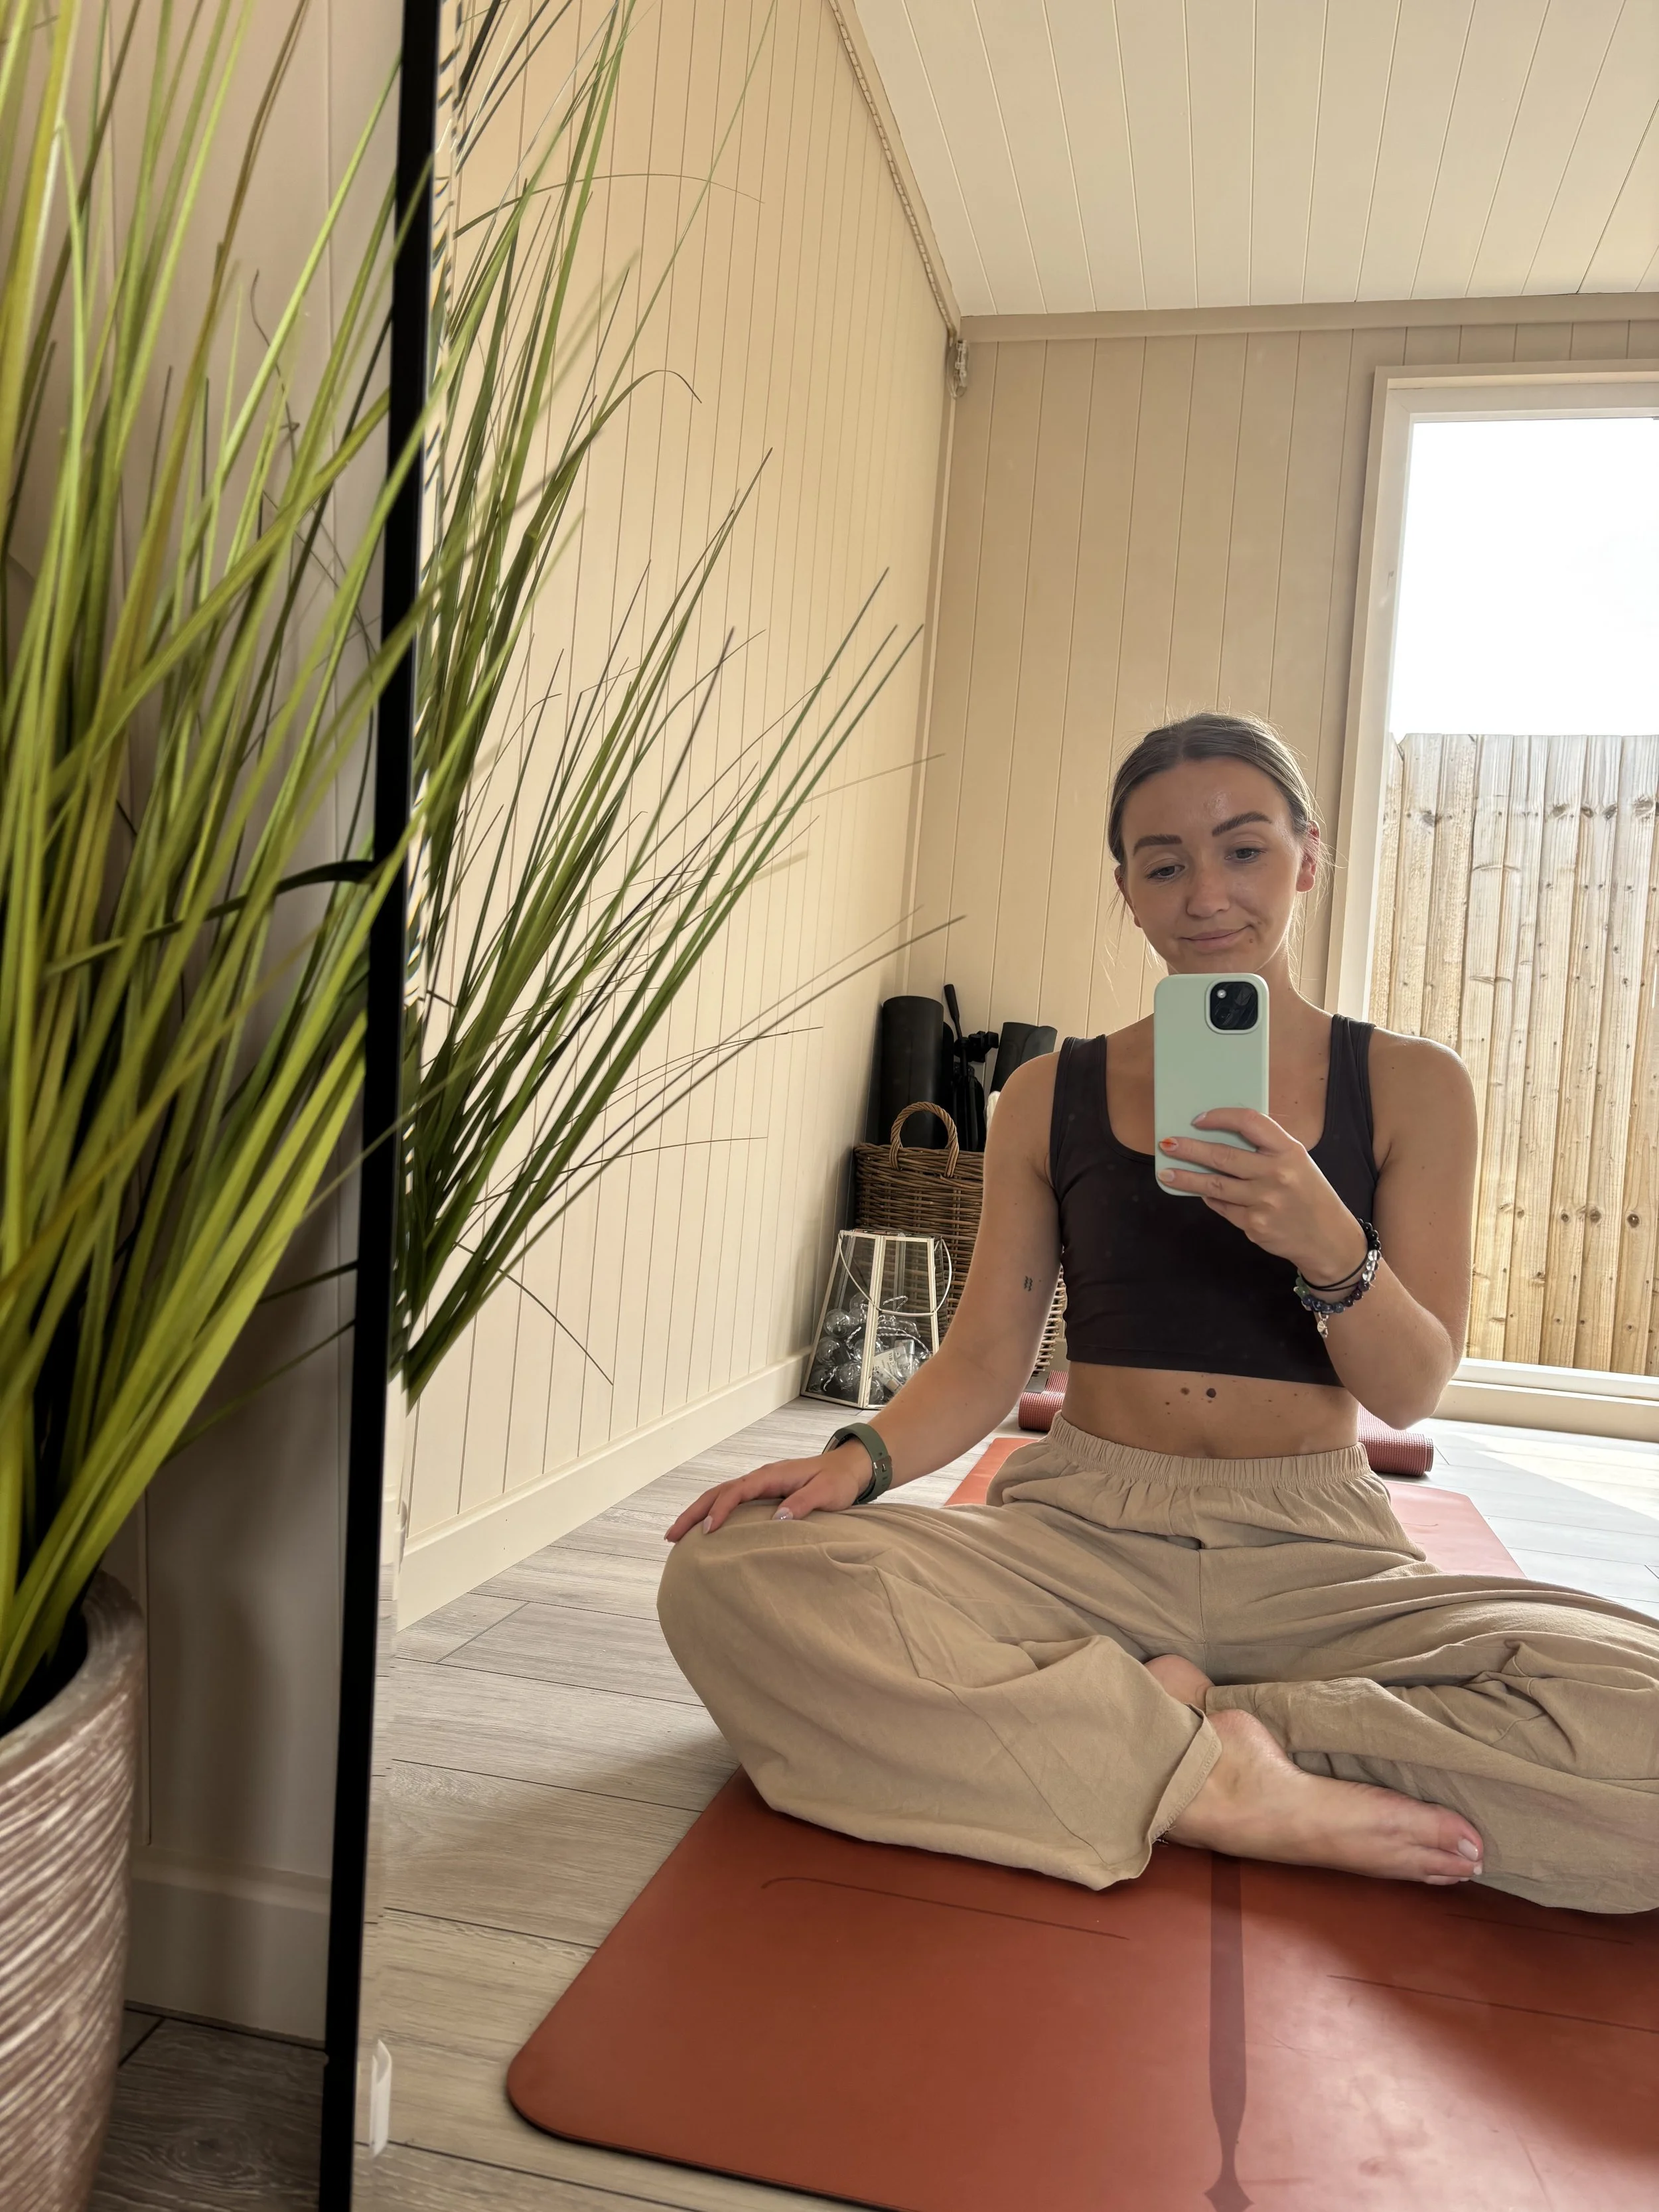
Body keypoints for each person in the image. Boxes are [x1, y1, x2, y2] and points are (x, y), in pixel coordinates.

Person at [658, 713, 1659, 1913]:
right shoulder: (1046, 1094)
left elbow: (1410, 1389)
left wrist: (1328, 1242)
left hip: (1320, 1556)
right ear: (1126, 890)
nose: (1205, 895)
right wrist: (857, 1460)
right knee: (730, 1576)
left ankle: (1171, 1729)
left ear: (1309, 854)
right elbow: (984, 1363)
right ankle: (1218, 1783)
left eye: (1243, 850)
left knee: (1637, 1717)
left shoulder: (1410, 1084)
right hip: (1081, 1529)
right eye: (1163, 863)